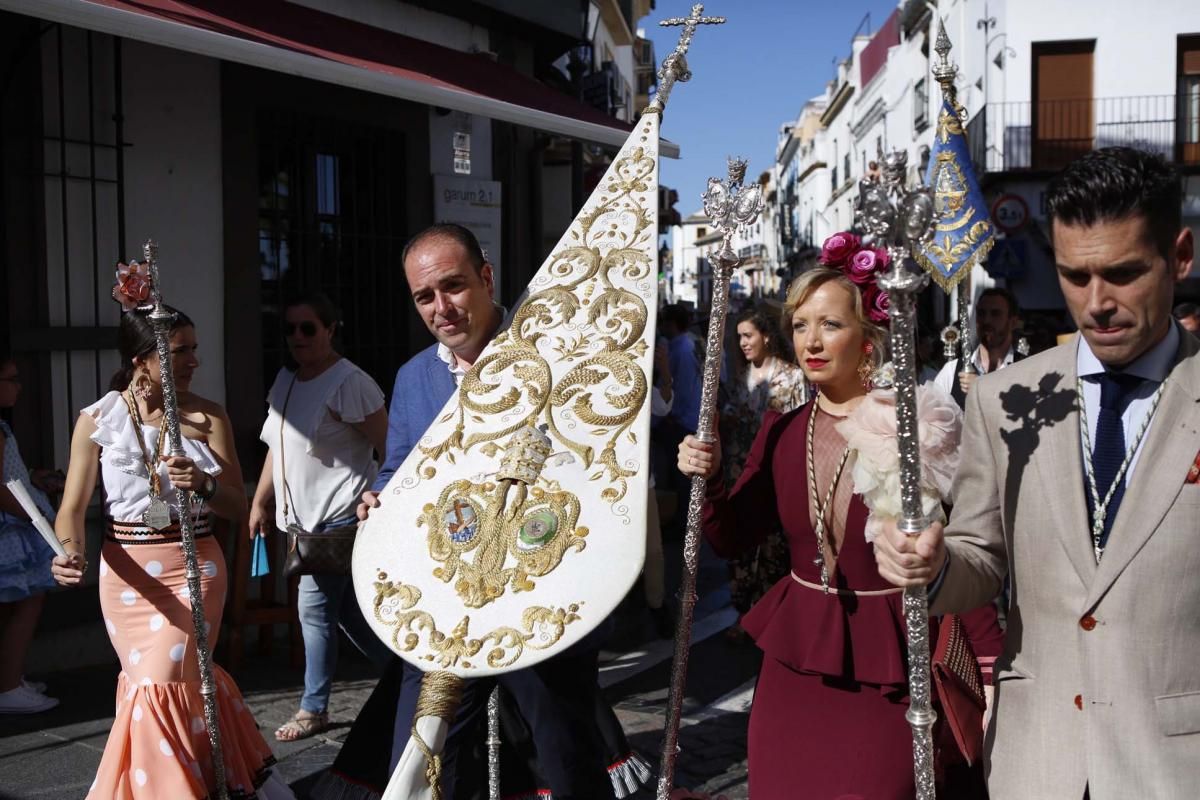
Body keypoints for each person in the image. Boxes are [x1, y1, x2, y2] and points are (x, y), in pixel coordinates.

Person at [875, 146, 1199, 799]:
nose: (1097, 302)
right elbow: (980, 559)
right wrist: (933, 565)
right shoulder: (1004, 401)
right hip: (1036, 760)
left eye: (1124, 273)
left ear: (1181, 257)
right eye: (1075, 277)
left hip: (1173, 768)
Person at [316, 223, 649, 800]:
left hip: (540, 591)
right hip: (449, 597)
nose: (441, 308)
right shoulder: (414, 376)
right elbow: (401, 469)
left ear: (486, 277)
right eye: (425, 296)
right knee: (418, 757)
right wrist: (381, 498)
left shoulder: (554, 353)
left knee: (564, 752)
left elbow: (597, 461)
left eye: (454, 287)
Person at [679, 251, 1003, 798]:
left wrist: (989, 669)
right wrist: (707, 477)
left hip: (894, 666)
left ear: (868, 340)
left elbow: (952, 553)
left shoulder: (914, 428)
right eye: (800, 326)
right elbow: (731, 537)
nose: (811, 342)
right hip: (795, 667)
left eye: (830, 325)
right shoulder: (781, 432)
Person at [51, 304, 293, 798]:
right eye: (180, 351)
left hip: (193, 567)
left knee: (157, 683)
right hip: (125, 577)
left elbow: (234, 506)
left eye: (194, 349)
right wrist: (70, 551)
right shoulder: (97, 419)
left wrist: (203, 483)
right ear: (143, 357)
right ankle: (204, 779)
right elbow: (72, 506)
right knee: (157, 683)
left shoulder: (209, 416)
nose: (193, 361)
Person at [250, 292, 390, 742]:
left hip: (340, 519)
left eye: (308, 328)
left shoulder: (350, 383)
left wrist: (381, 498)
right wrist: (260, 501)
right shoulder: (287, 382)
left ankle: (314, 709)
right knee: (347, 613)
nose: (297, 337)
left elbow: (391, 447)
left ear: (331, 329)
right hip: (301, 524)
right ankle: (413, 676)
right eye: (289, 329)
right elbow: (278, 445)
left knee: (313, 609)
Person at [722, 307, 807, 621]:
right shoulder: (740, 377)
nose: (743, 343)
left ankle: (771, 612)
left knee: (773, 545)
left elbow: (799, 424)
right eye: (740, 337)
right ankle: (744, 612)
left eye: (748, 335)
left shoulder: (793, 376)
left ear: (766, 336)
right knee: (742, 543)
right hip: (740, 471)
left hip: (775, 473)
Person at [0, 353, 60, 714]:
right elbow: (1, 488)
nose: (19, 386)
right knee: (28, 601)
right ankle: (7, 686)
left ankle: (10, 677)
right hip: (13, 529)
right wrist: (36, 516)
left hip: (14, 526)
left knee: (13, 606)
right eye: (11, 379)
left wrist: (34, 476)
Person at [935, 287, 1023, 406]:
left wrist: (981, 389)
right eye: (981, 313)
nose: (986, 320)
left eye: (995, 314)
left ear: (1012, 322)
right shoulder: (951, 371)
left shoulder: (1026, 368)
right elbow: (932, 418)